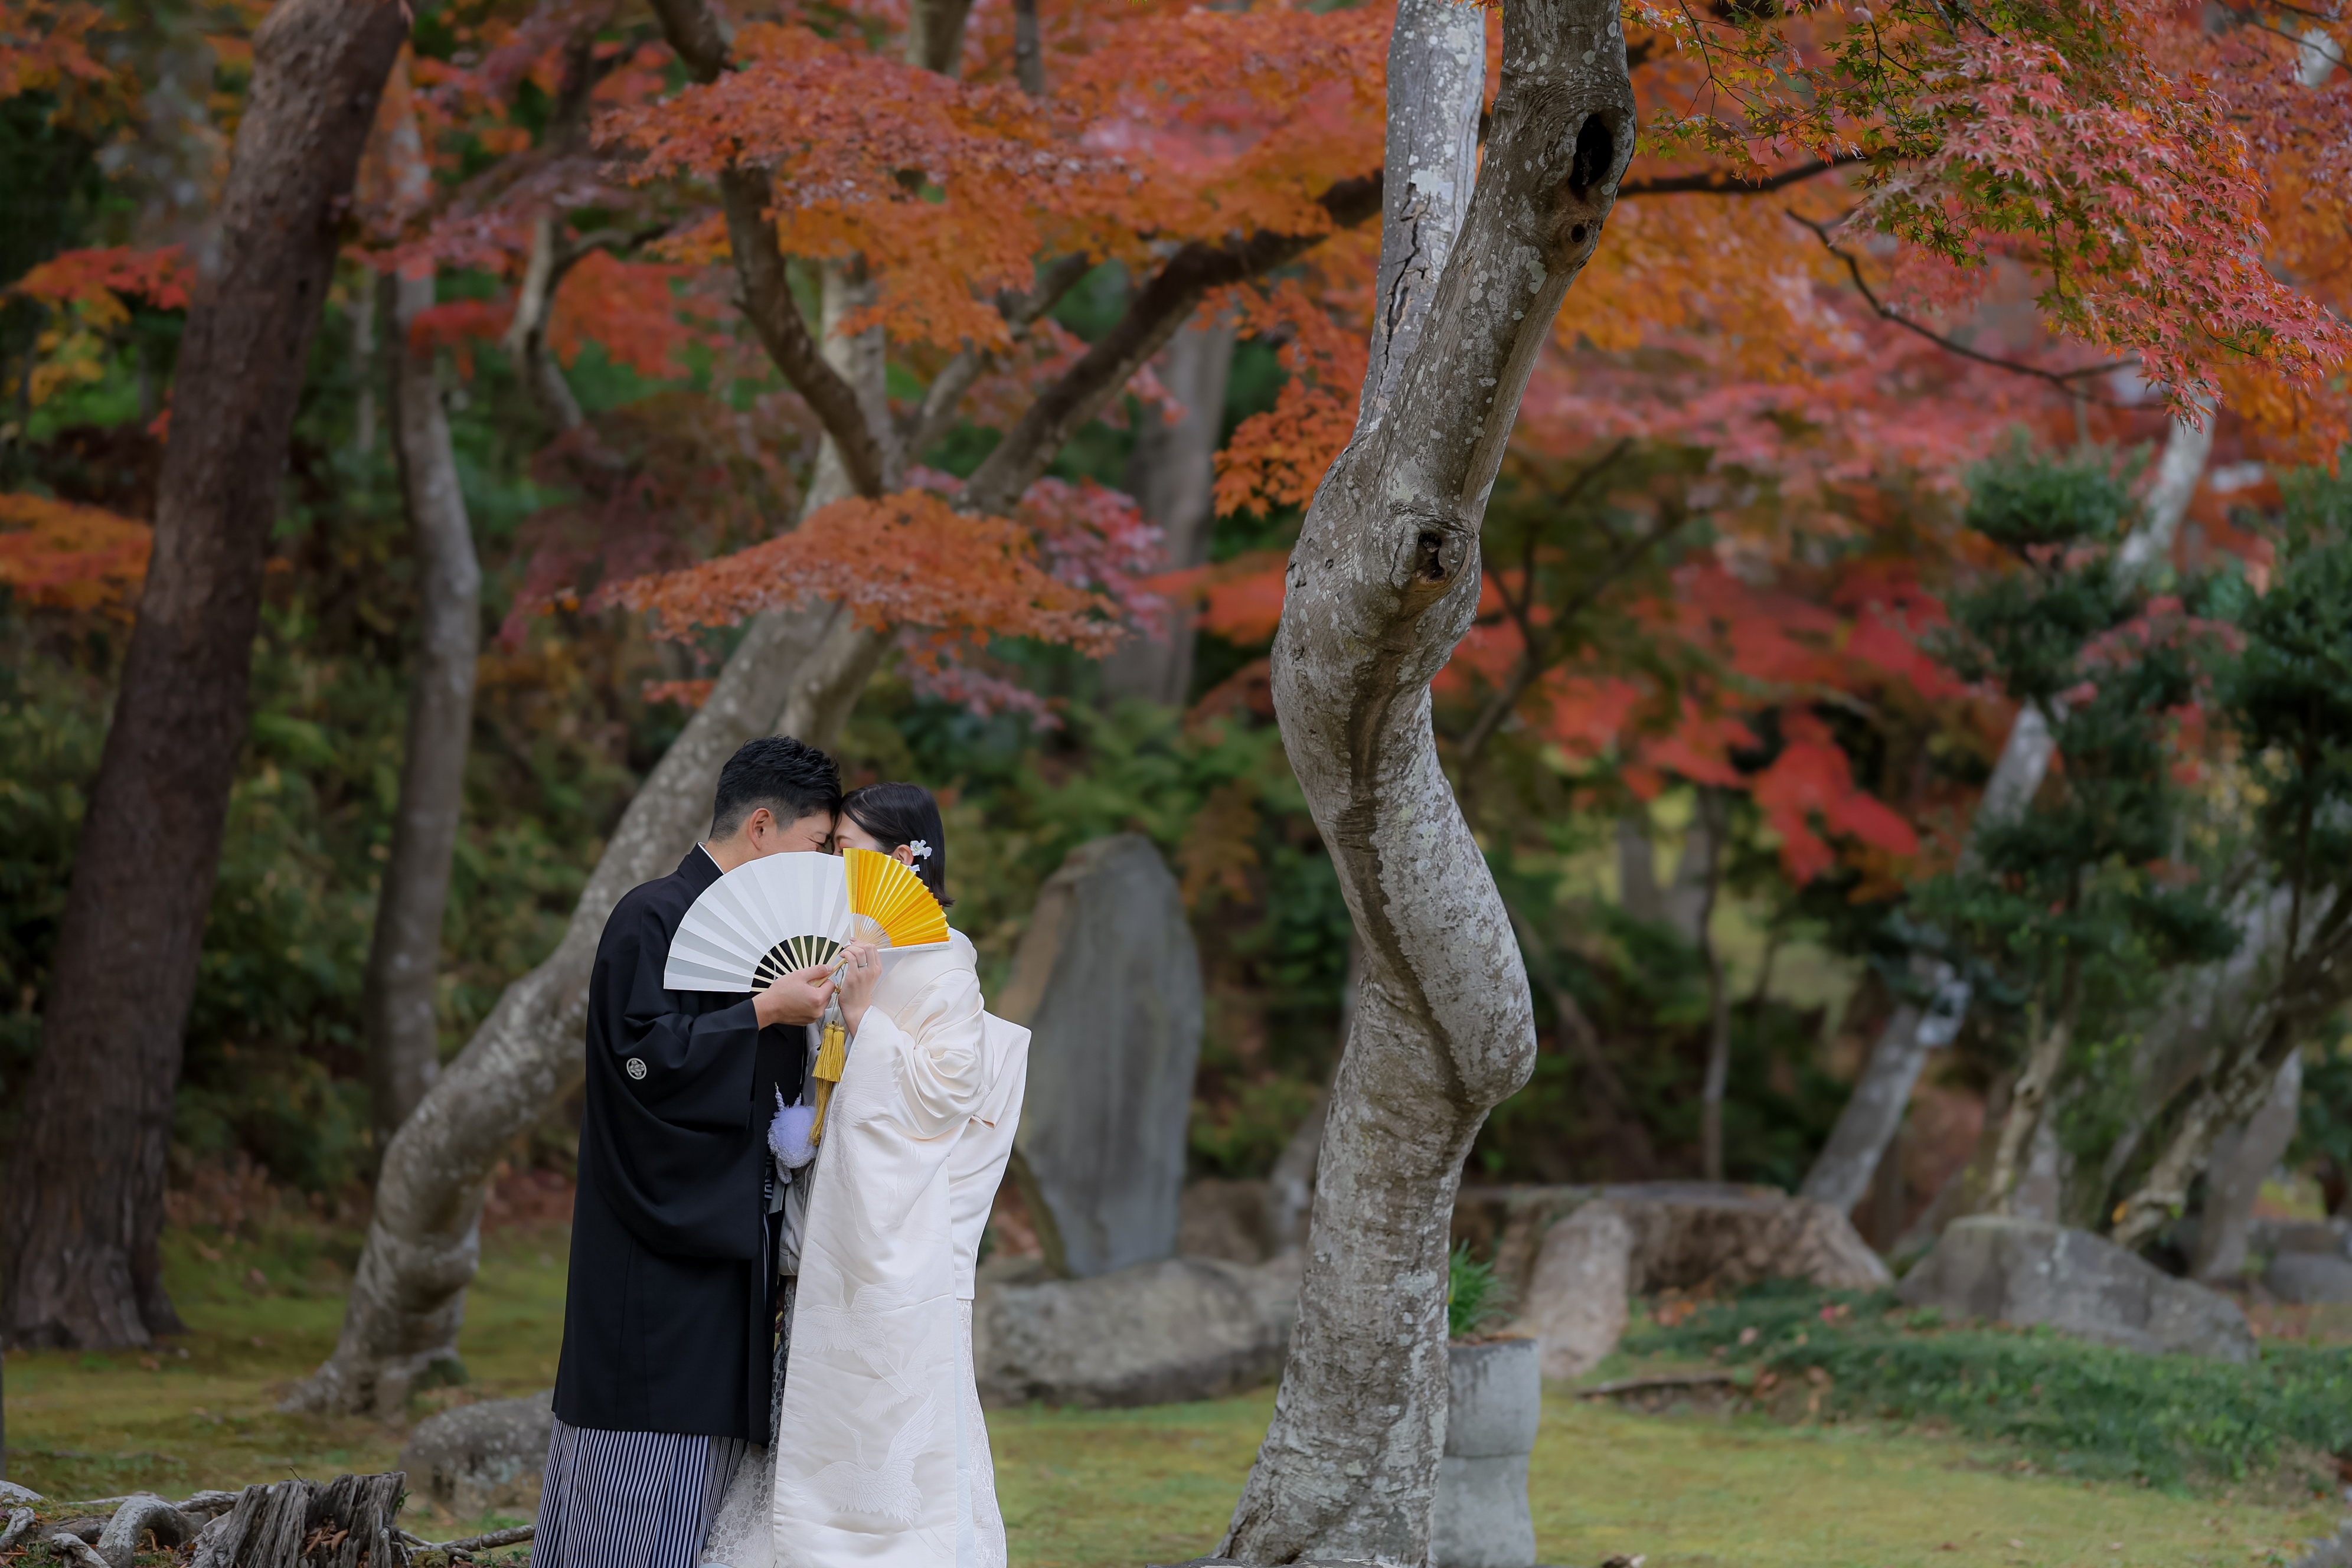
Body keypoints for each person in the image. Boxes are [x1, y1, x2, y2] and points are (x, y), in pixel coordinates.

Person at [698, 783, 1030, 1568]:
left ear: (905, 857)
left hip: (895, 1214)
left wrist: (869, 1019)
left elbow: (950, 1084)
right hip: (830, 1196)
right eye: (836, 845)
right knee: (808, 1391)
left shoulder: (944, 953)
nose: (840, 862)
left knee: (893, 1397)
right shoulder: (828, 934)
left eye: (855, 847)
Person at [537, 736, 844, 1568]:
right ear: (759, 826)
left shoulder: (783, 945)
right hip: (659, 1230)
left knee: (710, 1474)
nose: (822, 870)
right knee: (642, 1441)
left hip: (734, 1231)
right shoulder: (652, 915)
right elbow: (636, 1065)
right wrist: (755, 1015)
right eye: (818, 846)